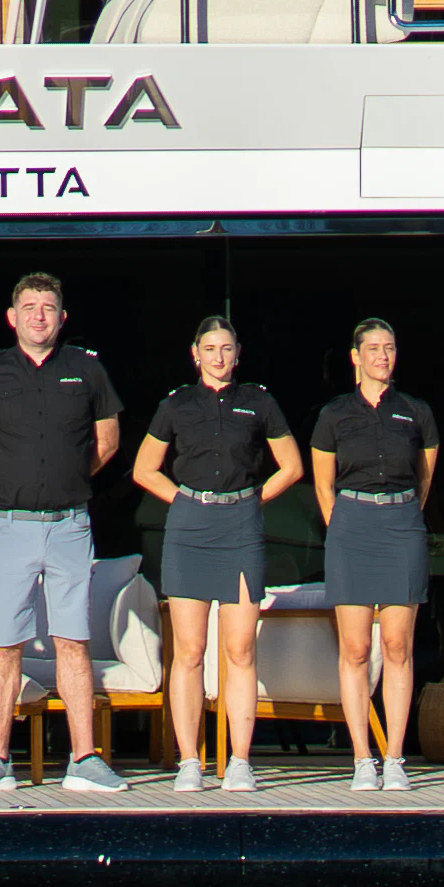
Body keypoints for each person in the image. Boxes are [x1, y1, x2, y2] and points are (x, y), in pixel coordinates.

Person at [0, 271, 128, 795]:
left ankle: (83, 758)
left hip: (70, 524)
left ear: (62, 316)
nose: (38, 316)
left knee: (72, 641)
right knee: (4, 644)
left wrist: (64, 482)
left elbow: (107, 442)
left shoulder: (87, 369)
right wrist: (17, 485)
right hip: (10, 527)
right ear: (12, 317)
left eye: (48, 307)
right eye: (29, 307)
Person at [129, 314, 301, 793]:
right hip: (189, 526)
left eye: (227, 349)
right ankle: (189, 761)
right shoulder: (177, 405)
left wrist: (253, 500)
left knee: (239, 648)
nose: (219, 357)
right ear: (195, 353)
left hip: (241, 524)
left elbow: (291, 466)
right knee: (188, 650)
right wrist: (183, 500)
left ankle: (240, 760)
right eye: (210, 349)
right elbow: (145, 469)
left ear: (238, 353)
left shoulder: (258, 402)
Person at [308, 316, 441, 791]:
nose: (382, 356)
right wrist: (343, 526)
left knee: (398, 646)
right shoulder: (334, 415)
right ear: (355, 356)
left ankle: (396, 757)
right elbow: (323, 486)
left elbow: (425, 480)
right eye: (373, 348)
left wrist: (401, 517)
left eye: (389, 347)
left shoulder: (415, 412)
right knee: (356, 647)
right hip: (351, 525)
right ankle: (363, 757)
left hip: (402, 523)